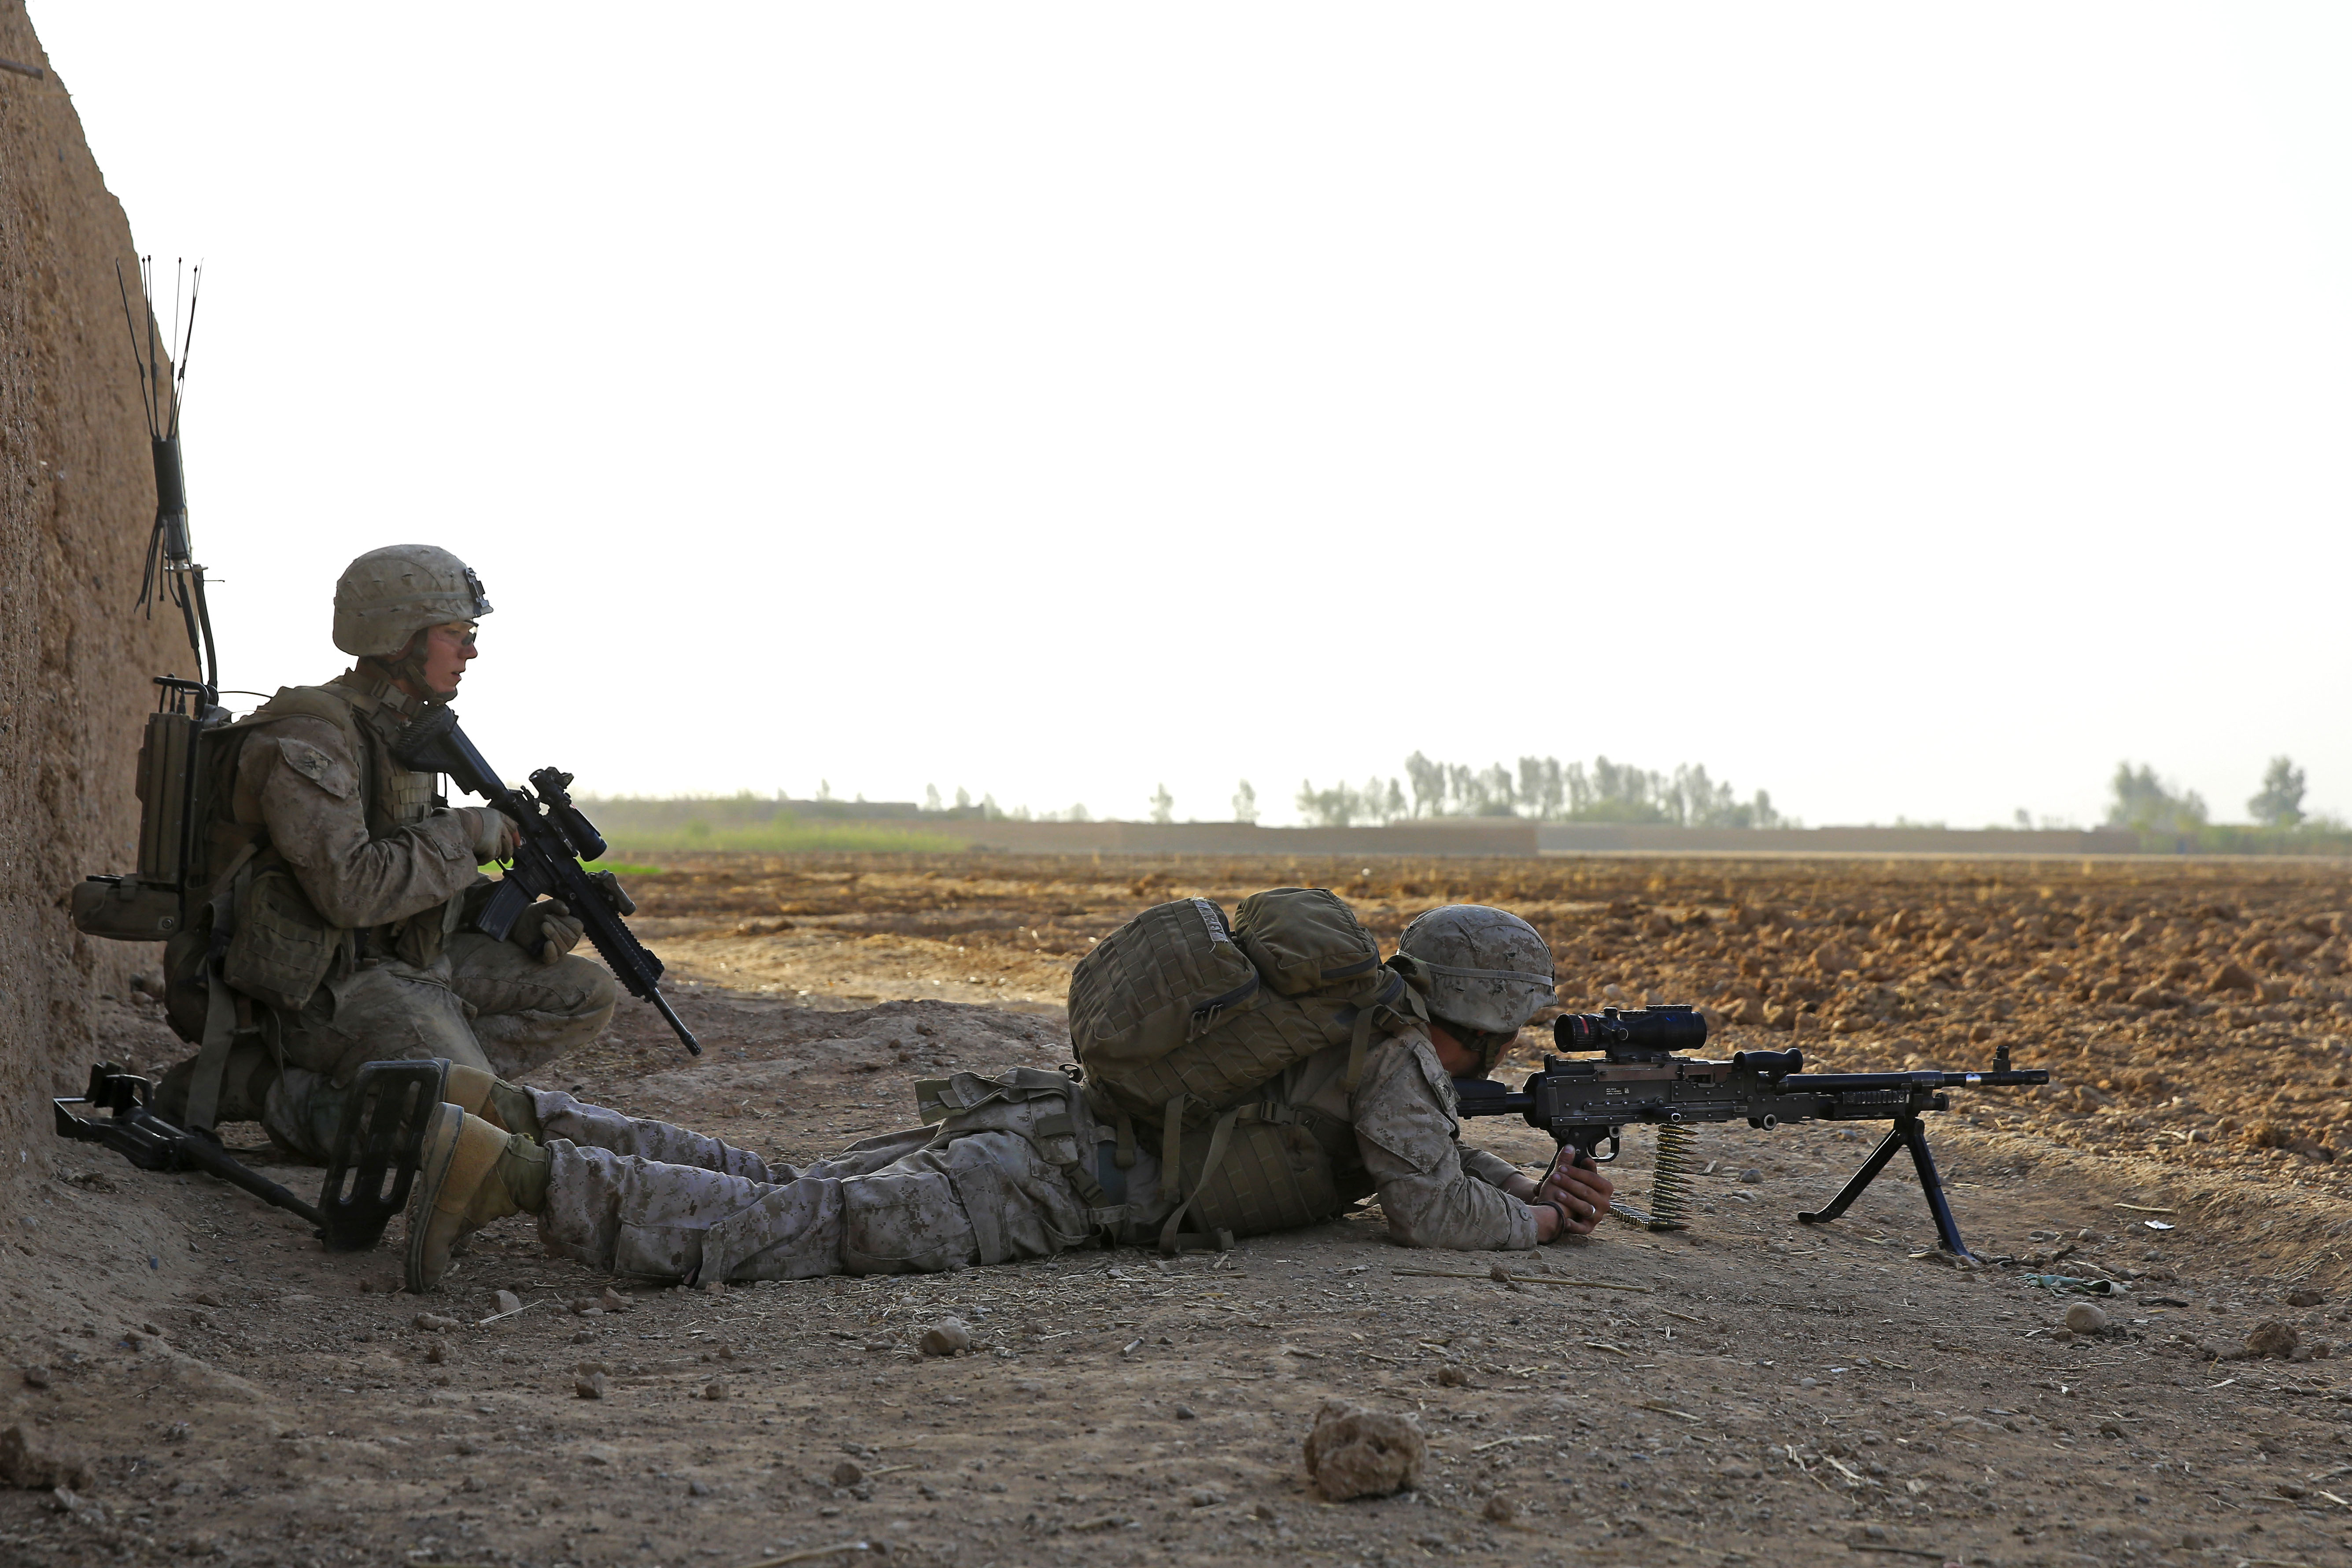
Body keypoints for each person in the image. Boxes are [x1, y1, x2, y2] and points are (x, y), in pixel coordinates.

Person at [399, 903, 1615, 1291]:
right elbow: (1425, 1207)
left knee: (795, 1183)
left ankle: (523, 1116)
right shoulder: (1395, 1052)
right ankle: (521, 1174)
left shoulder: (1358, 1017)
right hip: (1050, 1181)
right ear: (1486, 1016)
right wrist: (1537, 1221)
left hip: (1036, 1128)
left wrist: (1516, 1174)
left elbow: (1415, 1153)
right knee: (813, 1225)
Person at [154, 544, 618, 1158]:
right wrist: (466, 833)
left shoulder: (400, 732)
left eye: (470, 634)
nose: (471, 651)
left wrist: (516, 917)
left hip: (400, 960)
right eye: (456, 634)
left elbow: (407, 865)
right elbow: (350, 888)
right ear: (398, 637)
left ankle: (416, 1070)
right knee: (454, 1133)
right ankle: (256, 1081)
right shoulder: (309, 736)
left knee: (585, 993)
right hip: (317, 984)